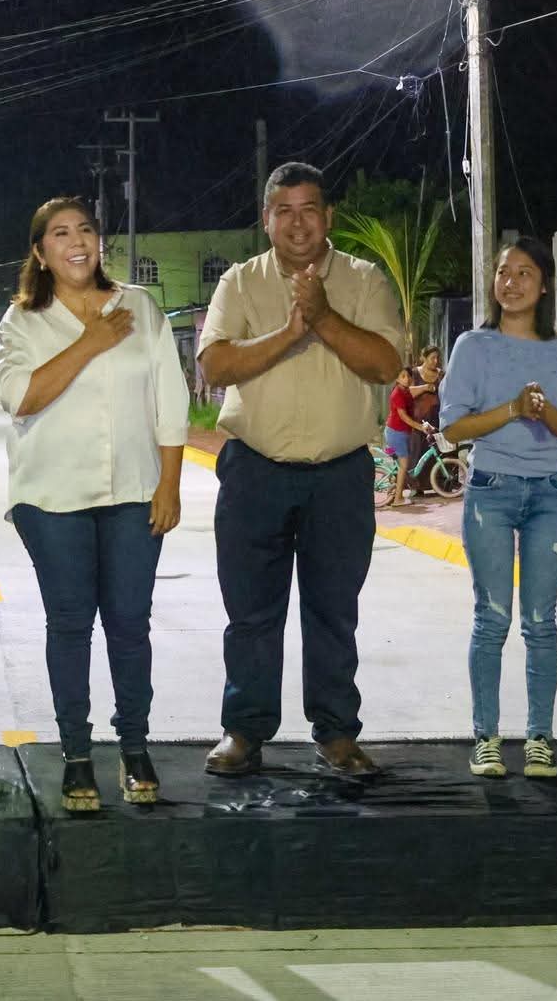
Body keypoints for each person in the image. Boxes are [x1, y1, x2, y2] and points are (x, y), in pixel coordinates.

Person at [199, 162, 402, 778]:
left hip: (339, 476)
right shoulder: (239, 283)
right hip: (254, 473)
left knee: (333, 611)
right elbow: (214, 365)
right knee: (252, 613)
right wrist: (289, 334)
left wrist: (324, 318)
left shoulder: (365, 281)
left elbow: (386, 363)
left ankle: (337, 734)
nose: (297, 222)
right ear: (266, 220)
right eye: (283, 210)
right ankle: (245, 731)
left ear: (328, 217)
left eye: (308, 208)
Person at [0, 197, 188, 812]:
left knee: (130, 626)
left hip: (134, 494)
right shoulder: (22, 322)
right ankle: (77, 753)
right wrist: (92, 340)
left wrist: (169, 484)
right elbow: (21, 396)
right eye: (59, 233)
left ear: (99, 241)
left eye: (85, 230)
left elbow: (171, 399)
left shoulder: (141, 307)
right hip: (52, 500)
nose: (76, 241)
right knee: (71, 626)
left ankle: (135, 747)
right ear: (40, 251)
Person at [441, 237, 557, 780]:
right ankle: (485, 736)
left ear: (545, 284)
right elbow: (453, 427)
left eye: (524, 272)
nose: (512, 282)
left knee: (539, 623)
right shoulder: (472, 346)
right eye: (503, 272)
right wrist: (509, 409)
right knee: (492, 619)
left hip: (550, 491)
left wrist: (544, 410)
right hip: (490, 490)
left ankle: (539, 739)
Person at [385, 365, 434, 506]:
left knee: (401, 464)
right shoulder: (397, 394)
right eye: (402, 377)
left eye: (408, 376)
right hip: (396, 433)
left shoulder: (405, 391)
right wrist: (419, 427)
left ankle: (395, 491)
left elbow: (412, 393)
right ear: (397, 379)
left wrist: (425, 387)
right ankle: (398, 499)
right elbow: (404, 417)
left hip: (401, 433)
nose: (406, 379)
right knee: (404, 464)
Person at [405, 345, 443, 488]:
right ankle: (415, 486)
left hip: (437, 419)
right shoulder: (414, 373)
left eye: (437, 358)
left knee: (437, 451)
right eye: (432, 358)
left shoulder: (442, 375)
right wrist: (425, 387)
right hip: (417, 421)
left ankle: (440, 484)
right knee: (417, 451)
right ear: (424, 358)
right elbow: (405, 392)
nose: (436, 361)